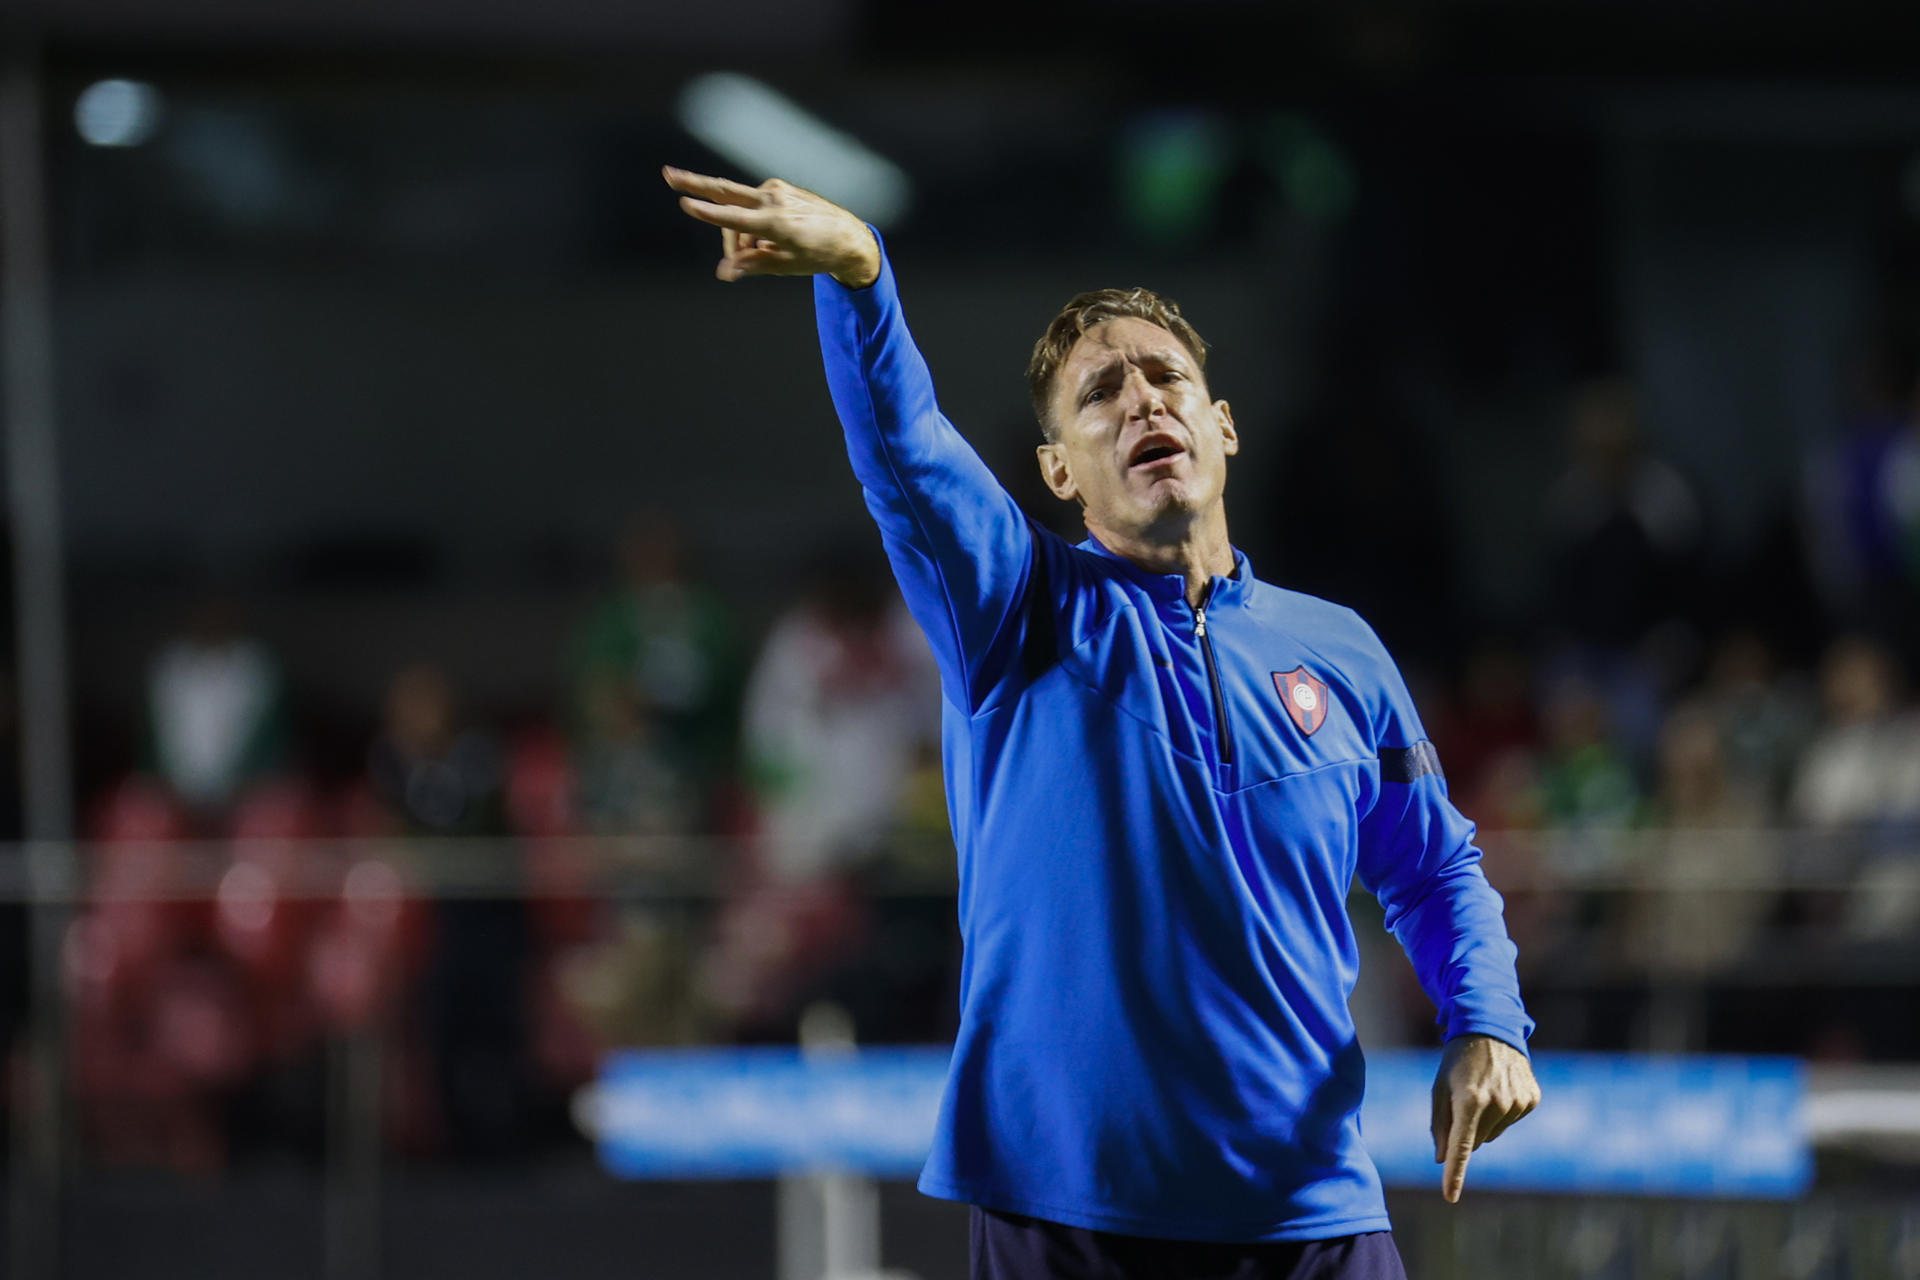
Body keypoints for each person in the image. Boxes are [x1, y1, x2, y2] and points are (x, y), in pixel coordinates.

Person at [665, 167, 1539, 1279]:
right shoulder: (1016, 608)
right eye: (1102, 393)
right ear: (1056, 470)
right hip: (1070, 1218)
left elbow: (1433, 865)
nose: (1143, 401)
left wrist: (1488, 1017)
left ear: (1221, 425)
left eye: (1167, 377)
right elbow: (908, 453)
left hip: (1309, 1214)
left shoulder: (1343, 648)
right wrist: (861, 277)